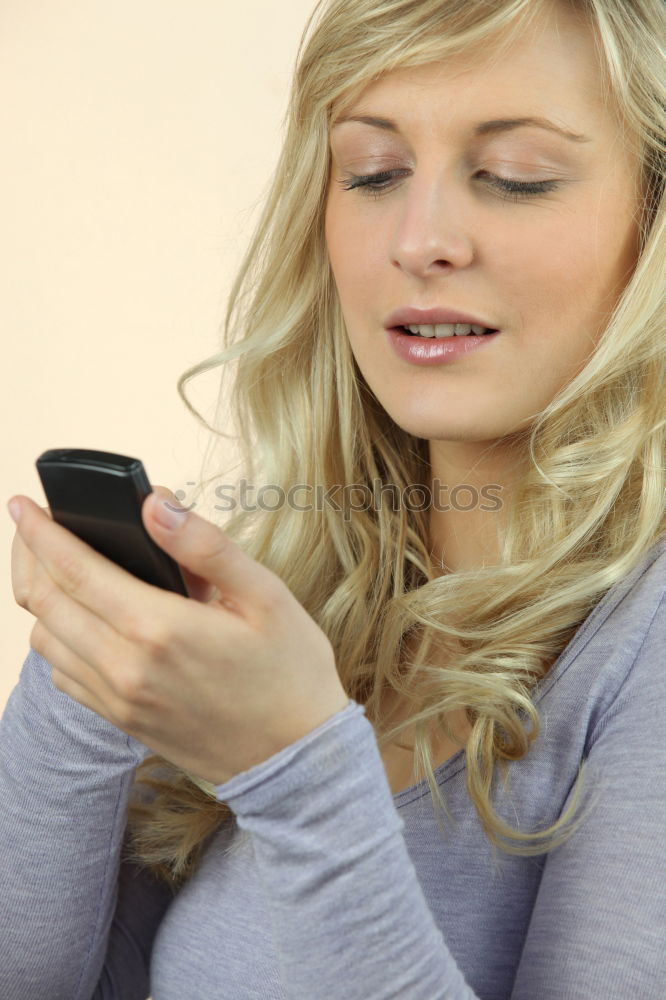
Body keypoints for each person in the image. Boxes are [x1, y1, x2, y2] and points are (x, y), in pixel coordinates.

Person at [2, 0, 665, 996]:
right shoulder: (307, 602)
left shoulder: (638, 646)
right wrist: (92, 680)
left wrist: (295, 772)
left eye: (514, 178)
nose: (420, 238)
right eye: (374, 172)